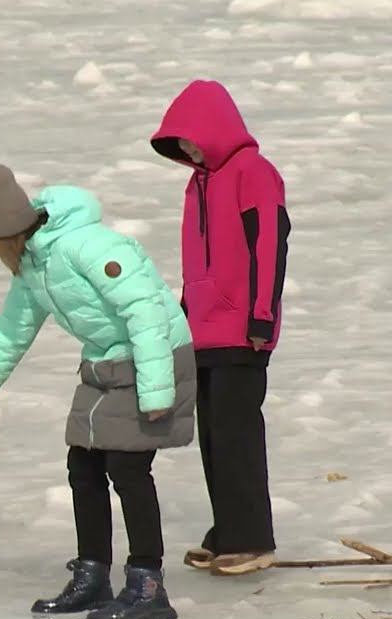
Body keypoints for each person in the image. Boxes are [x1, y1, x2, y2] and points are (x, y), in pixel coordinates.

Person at [0, 164, 196, 619]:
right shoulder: (32, 268)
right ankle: (93, 577)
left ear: (8, 231)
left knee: (127, 467)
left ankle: (147, 585)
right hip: (104, 361)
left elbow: (146, 309)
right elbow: (8, 337)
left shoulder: (87, 245)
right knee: (82, 463)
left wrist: (156, 391)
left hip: (155, 356)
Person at [150, 80, 291, 576]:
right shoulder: (199, 183)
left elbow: (271, 246)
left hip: (242, 329)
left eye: (191, 139)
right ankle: (228, 530)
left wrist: (262, 315)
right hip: (204, 330)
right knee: (213, 435)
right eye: (180, 145)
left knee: (237, 435)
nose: (187, 151)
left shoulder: (254, 173)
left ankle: (253, 539)